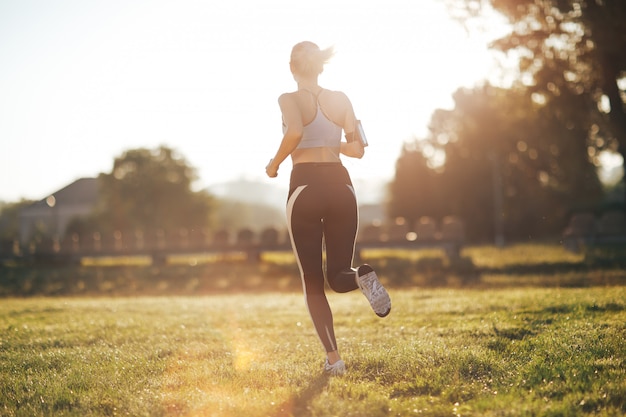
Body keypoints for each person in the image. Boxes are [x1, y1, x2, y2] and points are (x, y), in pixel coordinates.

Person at [265, 41, 391, 376]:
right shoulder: (341, 99)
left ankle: (334, 360)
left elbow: (294, 131)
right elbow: (358, 149)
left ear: (292, 68)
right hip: (341, 186)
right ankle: (363, 279)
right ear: (321, 67)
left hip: (305, 186)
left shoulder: (289, 99)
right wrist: (330, 141)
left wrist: (274, 163)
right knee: (339, 274)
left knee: (313, 280)